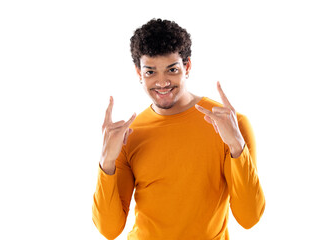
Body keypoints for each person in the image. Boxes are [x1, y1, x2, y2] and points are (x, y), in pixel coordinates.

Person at [92, 18, 265, 240]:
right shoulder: (129, 135)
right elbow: (109, 229)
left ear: (187, 66)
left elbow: (249, 217)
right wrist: (107, 162)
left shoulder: (232, 125)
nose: (162, 82)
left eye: (172, 69)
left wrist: (236, 145)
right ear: (138, 72)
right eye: (150, 72)